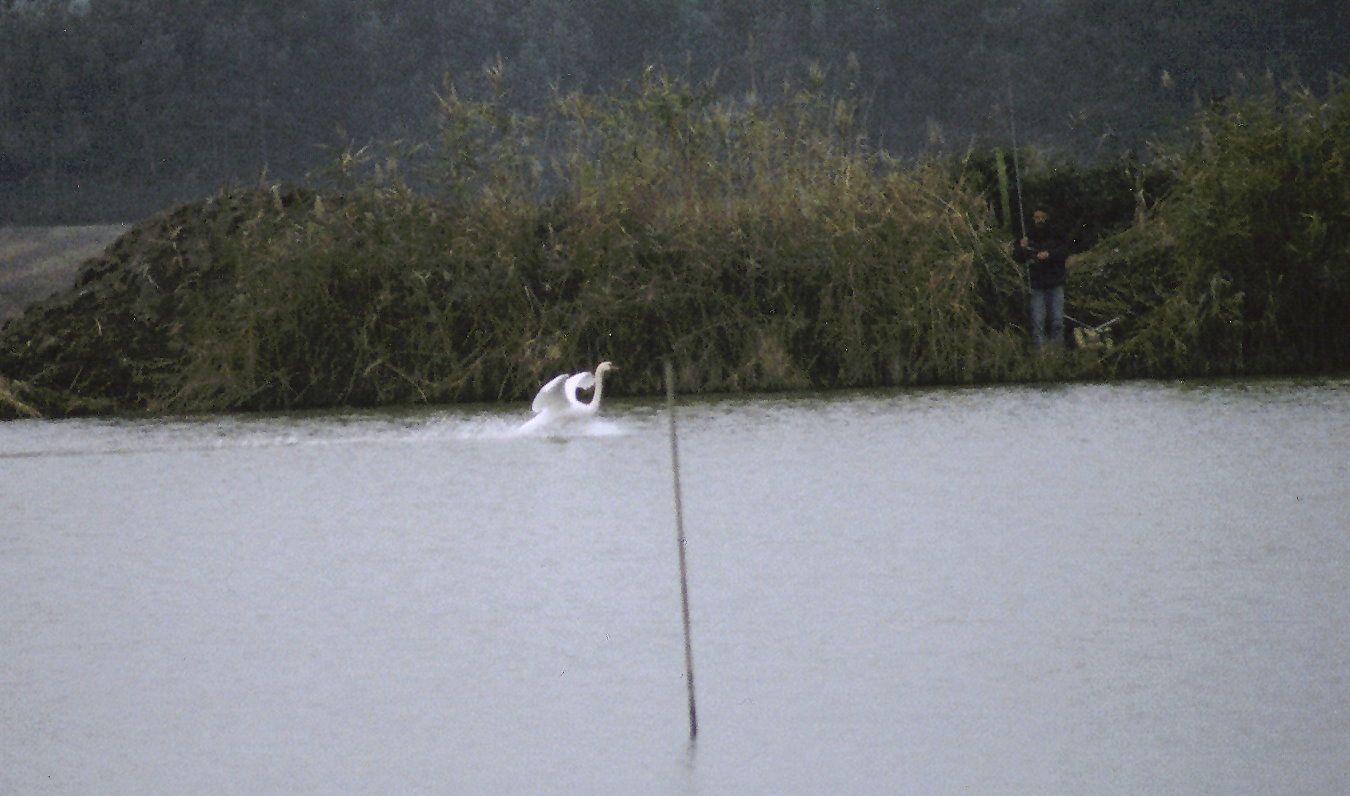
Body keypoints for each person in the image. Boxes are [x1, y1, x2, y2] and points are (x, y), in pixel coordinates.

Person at [1013, 208, 1069, 347]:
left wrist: (1049, 255)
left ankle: (1056, 352)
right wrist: (1022, 247)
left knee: (1057, 320)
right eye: (1036, 217)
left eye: (1042, 217)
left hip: (1055, 282)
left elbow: (1064, 251)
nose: (1039, 220)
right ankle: (1041, 355)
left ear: (1047, 217)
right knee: (1038, 321)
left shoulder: (1056, 233)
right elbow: (1018, 257)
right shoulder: (1026, 235)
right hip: (1036, 284)